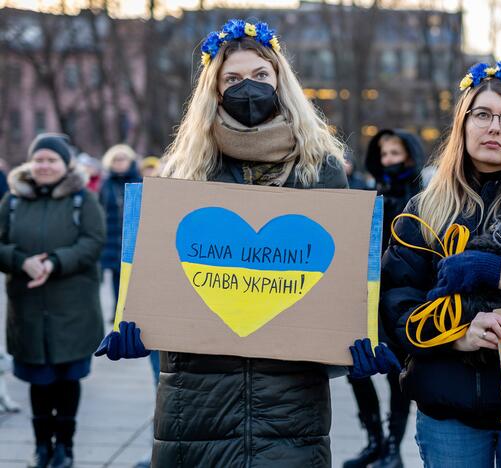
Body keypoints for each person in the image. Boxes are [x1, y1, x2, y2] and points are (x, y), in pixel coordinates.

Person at [93, 19, 398, 467]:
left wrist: (357, 339)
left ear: (280, 81)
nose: (247, 88)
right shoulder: (185, 169)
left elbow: (340, 278)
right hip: (196, 401)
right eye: (232, 79)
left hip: (290, 405)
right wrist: (141, 325)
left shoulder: (320, 169)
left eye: (259, 76)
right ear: (213, 89)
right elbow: (163, 272)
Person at [380, 62, 501, 467]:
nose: (495, 127)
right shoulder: (424, 210)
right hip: (449, 412)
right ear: (463, 124)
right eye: (483, 114)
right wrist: (457, 336)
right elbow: (396, 302)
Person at [0, 133, 105, 468]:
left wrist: (54, 262)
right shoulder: (13, 201)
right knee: (38, 381)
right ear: (31, 163)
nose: (44, 165)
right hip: (29, 308)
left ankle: (66, 448)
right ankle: (42, 446)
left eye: (51, 160)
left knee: (67, 379)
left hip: (72, 308)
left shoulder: (82, 200)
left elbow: (93, 242)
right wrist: (21, 261)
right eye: (39, 159)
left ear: (65, 164)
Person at [343, 129, 424, 468]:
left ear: (410, 156)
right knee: (354, 368)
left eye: (397, 153)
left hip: (402, 299)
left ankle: (393, 448)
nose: (390, 159)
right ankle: (374, 440)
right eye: (385, 153)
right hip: (365, 296)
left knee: (397, 376)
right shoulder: (368, 193)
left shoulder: (421, 199)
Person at [99, 144, 143, 323]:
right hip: (112, 237)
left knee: (136, 278)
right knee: (117, 277)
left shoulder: (139, 181)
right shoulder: (106, 184)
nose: (119, 163)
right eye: (115, 160)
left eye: (122, 159)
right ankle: (118, 312)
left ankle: (135, 312)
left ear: (130, 160)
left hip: (134, 237)